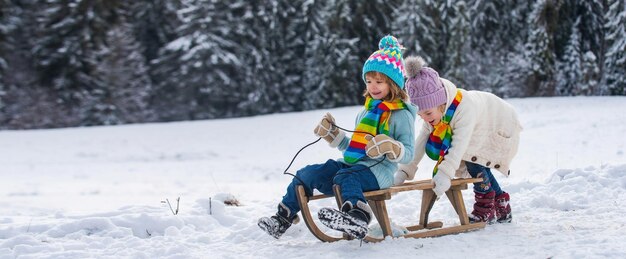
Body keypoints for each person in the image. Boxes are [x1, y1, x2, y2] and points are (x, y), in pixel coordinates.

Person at [258, 35, 417, 240]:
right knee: (307, 173)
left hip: (380, 173)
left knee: (345, 177)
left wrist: (391, 147)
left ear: (394, 83)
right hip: (354, 166)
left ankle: (357, 217)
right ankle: (282, 218)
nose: (373, 86)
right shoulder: (366, 112)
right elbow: (355, 150)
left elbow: (408, 153)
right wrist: (333, 135)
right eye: (368, 81)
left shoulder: (401, 114)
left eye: (379, 81)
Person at [394, 56, 522, 224]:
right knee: (479, 162)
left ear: (440, 103)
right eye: (420, 115)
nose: (425, 118)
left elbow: (458, 145)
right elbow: (420, 142)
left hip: (500, 122)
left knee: (473, 160)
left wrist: (445, 173)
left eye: (428, 114)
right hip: (481, 123)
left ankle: (486, 207)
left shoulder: (463, 108)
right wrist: (404, 171)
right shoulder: (434, 112)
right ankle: (501, 203)